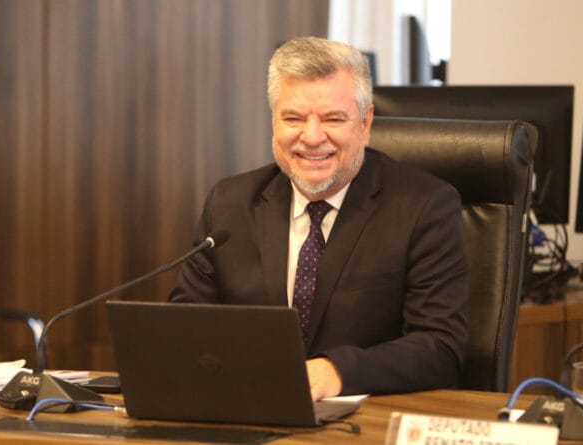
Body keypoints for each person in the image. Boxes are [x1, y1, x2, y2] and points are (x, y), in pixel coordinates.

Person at [169, 36, 468, 400]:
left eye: (333, 119)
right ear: (274, 122)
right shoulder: (230, 204)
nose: (311, 137)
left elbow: (440, 348)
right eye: (293, 118)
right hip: (249, 407)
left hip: (367, 418)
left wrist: (338, 371)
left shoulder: (424, 207)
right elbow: (184, 327)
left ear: (365, 123)